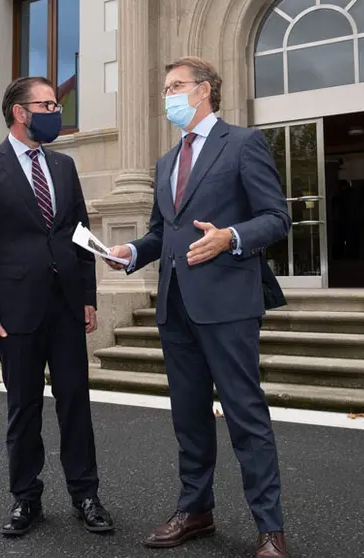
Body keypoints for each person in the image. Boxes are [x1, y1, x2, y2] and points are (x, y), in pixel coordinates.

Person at [107, 57, 291, 558]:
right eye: (166, 87)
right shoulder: (167, 162)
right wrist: (131, 253)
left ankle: (269, 528)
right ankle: (196, 510)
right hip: (175, 305)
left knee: (245, 414)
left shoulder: (244, 144)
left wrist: (230, 237)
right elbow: (158, 232)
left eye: (176, 86)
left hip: (228, 304)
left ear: (205, 91)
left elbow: (277, 218)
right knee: (188, 417)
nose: (168, 95)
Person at [0, 76, 115, 537]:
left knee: (76, 405)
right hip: (14, 312)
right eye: (46, 104)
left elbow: (81, 235)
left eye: (56, 103)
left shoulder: (64, 166)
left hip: (65, 307)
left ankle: (86, 494)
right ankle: (26, 499)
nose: (55, 110)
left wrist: (87, 297)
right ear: (20, 113)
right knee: (23, 408)